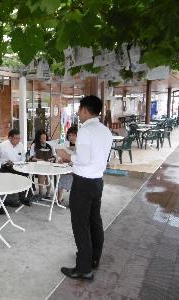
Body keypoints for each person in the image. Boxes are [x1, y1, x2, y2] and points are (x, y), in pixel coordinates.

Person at [57, 95, 112, 281]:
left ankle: (83, 269)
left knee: (80, 224)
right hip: (97, 181)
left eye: (79, 110)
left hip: (83, 183)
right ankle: (93, 258)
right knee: (94, 221)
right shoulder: (105, 130)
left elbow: (83, 159)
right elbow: (99, 157)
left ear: (85, 110)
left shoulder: (86, 131)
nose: (78, 114)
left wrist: (67, 155)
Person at [0, 129, 28, 207]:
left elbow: (23, 158)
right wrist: (6, 162)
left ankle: (22, 197)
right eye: (16, 138)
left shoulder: (20, 145)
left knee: (25, 175)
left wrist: (17, 163)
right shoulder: (2, 146)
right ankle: (10, 199)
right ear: (10, 138)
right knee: (13, 176)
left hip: (18, 166)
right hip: (6, 167)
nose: (18, 140)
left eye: (19, 138)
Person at [29, 129, 55, 197]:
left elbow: (54, 156)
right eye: (42, 138)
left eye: (45, 138)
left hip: (49, 164)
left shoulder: (50, 145)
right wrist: (39, 159)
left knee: (48, 175)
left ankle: (48, 193)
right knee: (41, 175)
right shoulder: (34, 145)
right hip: (38, 164)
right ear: (38, 138)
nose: (44, 139)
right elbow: (31, 157)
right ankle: (40, 192)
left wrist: (51, 159)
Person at [57, 126, 78, 203]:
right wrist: (62, 159)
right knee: (61, 178)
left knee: (74, 183)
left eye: (73, 135)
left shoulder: (80, 145)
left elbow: (81, 159)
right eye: (69, 135)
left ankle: (72, 202)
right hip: (67, 168)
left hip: (77, 170)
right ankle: (59, 198)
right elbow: (61, 156)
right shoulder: (65, 144)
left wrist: (73, 162)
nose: (71, 137)